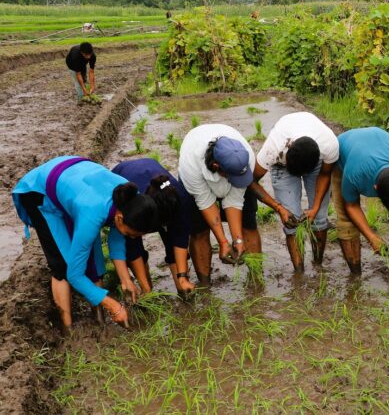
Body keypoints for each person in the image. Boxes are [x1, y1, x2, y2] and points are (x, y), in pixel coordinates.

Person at [12, 156, 160, 332]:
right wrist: (112, 304)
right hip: (41, 192)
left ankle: (99, 318)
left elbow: (117, 237)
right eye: (131, 234)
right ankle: (69, 330)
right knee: (63, 265)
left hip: (77, 185)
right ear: (120, 218)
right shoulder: (93, 213)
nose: (132, 238)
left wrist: (125, 279)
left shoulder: (130, 199)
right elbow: (75, 275)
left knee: (95, 259)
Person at [252, 112, 339, 271]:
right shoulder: (274, 148)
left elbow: (325, 174)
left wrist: (315, 208)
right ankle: (299, 273)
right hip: (282, 162)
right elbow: (251, 181)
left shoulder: (329, 145)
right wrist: (278, 208)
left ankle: (318, 265)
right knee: (291, 221)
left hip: (313, 158)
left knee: (319, 219)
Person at [332, 127, 389, 274]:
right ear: (374, 188)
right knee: (346, 221)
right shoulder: (354, 173)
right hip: (343, 152)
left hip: (376, 139)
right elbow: (351, 205)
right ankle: (355, 276)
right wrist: (371, 237)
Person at [178, 124, 258, 285]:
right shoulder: (191, 163)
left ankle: (256, 279)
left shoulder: (246, 157)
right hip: (196, 182)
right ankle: (205, 284)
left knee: (248, 225)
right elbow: (205, 203)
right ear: (216, 167)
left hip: (232, 170)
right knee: (199, 230)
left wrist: (238, 240)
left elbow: (234, 201)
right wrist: (223, 242)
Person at [112, 158, 196, 296]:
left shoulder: (180, 197)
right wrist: (146, 289)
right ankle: (147, 287)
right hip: (127, 176)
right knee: (132, 240)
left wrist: (182, 277)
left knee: (173, 237)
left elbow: (180, 238)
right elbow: (133, 247)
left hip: (162, 196)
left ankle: (181, 287)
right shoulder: (135, 203)